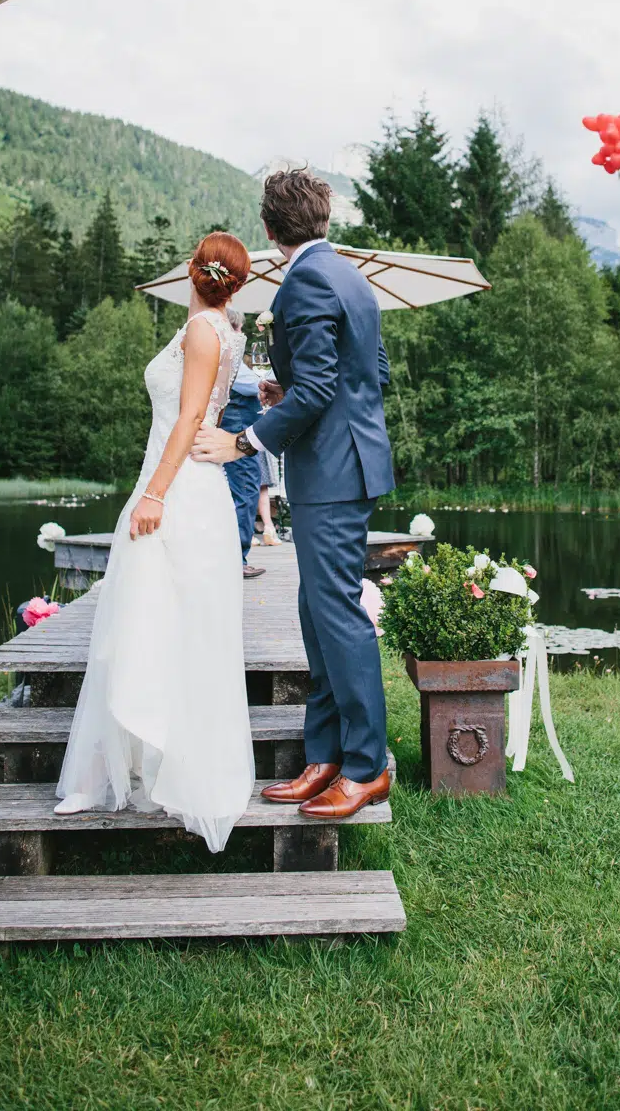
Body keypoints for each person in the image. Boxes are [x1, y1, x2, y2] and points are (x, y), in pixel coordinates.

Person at [193, 169, 395, 819]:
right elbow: (371, 372)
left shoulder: (305, 280)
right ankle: (325, 755)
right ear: (323, 218)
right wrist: (299, 391)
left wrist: (245, 441)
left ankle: (365, 767)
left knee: (336, 615)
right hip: (344, 463)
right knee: (317, 612)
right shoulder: (350, 276)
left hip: (331, 472)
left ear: (269, 228)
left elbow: (317, 389)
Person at [54, 233, 256, 853]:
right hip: (192, 487)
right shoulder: (225, 328)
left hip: (179, 492)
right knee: (152, 620)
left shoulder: (202, 332)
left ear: (195, 273)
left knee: (142, 621)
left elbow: (192, 416)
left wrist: (154, 495)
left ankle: (142, 766)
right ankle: (124, 763)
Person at [221, 308, 280, 581]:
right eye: (238, 328)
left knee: (245, 487)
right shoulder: (228, 358)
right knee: (246, 488)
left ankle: (235, 555)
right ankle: (238, 559)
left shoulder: (228, 357)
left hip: (237, 428)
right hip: (238, 431)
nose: (242, 333)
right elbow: (251, 383)